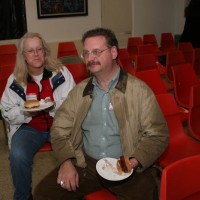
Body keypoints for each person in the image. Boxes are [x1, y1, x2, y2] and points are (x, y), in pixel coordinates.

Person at [33, 27, 169, 200]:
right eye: (86, 53)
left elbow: (158, 135)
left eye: (96, 52)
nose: (90, 58)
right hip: (87, 164)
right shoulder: (80, 92)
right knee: (43, 194)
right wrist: (66, 162)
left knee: (150, 194)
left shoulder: (139, 91)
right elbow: (59, 130)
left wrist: (134, 161)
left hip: (126, 164)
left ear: (113, 52)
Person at [0, 32, 75, 200]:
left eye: (39, 49)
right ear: (23, 56)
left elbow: (73, 104)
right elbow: (5, 111)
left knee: (78, 150)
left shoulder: (61, 73)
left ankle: (76, 192)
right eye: (31, 50)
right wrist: (25, 112)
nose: (36, 54)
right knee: (17, 155)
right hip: (30, 128)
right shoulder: (15, 80)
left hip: (60, 126)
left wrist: (54, 105)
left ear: (45, 51)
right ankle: (23, 196)